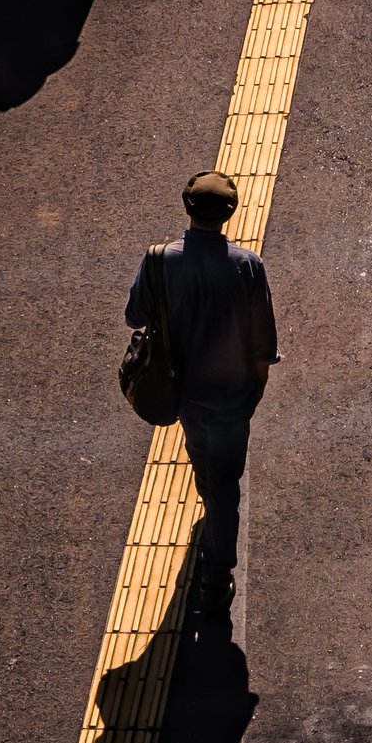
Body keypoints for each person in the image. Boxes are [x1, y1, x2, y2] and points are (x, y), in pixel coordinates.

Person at [126, 171, 277, 612]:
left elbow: (135, 315)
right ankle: (215, 578)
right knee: (228, 483)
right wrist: (255, 391)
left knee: (202, 459)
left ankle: (211, 509)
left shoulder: (159, 260)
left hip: (184, 392)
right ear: (231, 212)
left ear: (187, 207)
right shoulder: (248, 266)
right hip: (234, 396)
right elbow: (263, 344)